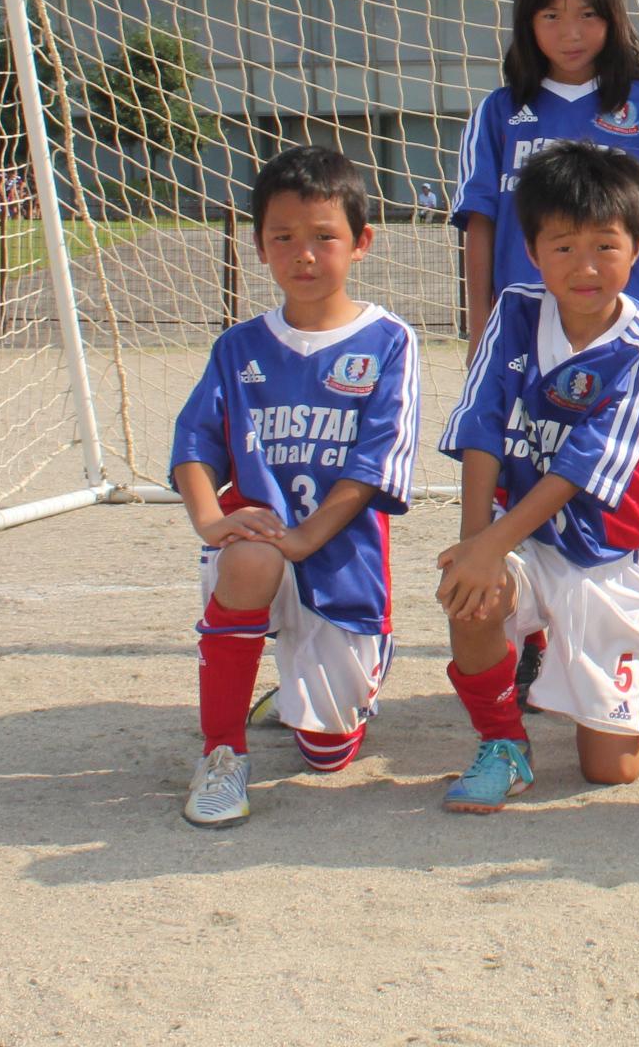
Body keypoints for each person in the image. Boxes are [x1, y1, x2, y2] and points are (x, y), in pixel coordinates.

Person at [169, 147, 420, 827]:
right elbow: (195, 444)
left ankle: (308, 692)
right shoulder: (239, 347)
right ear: (259, 247)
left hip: (339, 559)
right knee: (247, 555)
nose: (302, 254)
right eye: (283, 237)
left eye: (323, 237)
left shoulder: (389, 340)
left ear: (361, 243)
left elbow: (376, 462)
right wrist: (206, 520)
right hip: (263, 545)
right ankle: (222, 753)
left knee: (328, 754)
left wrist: (306, 536)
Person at [433, 142, 639, 809]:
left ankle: (615, 689)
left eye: (605, 245)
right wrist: (478, 544)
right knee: (470, 590)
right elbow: (482, 426)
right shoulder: (514, 311)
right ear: (535, 252)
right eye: (563, 246)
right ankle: (503, 741)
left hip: (608, 555)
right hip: (527, 543)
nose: (586, 266)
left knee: (611, 772)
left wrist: (488, 546)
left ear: (636, 248)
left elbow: (580, 465)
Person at [452, 0, 639, 352]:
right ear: (527, 20)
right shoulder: (498, 113)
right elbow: (481, 226)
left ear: (613, 16)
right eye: (551, 16)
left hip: (625, 335)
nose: (571, 33)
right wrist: (481, 332)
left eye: (588, 15)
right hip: (522, 337)